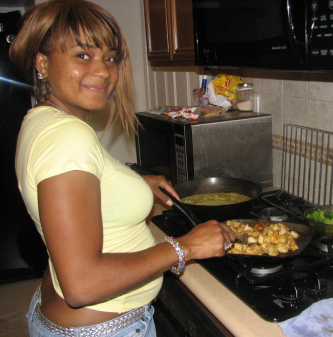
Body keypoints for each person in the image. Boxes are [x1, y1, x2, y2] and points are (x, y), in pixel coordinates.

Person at [9, 1, 235, 336]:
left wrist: (131, 182)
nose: (103, 71)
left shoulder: (43, 119)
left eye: (111, 57)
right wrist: (184, 247)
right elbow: (82, 285)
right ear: (43, 62)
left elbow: (74, 182)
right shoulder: (67, 135)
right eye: (82, 55)